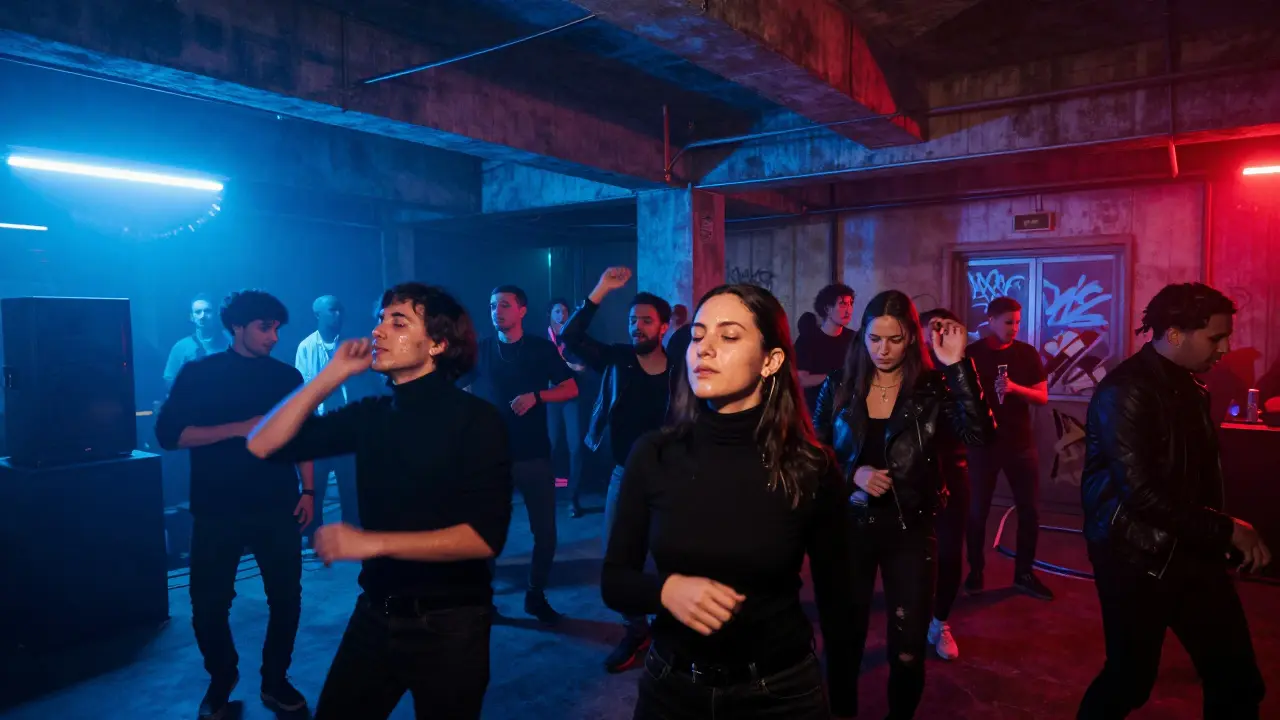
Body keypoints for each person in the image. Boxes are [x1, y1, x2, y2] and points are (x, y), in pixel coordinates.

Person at [247, 283, 512, 720]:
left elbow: (484, 538)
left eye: (398, 321)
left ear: (438, 344)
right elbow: (262, 445)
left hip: (450, 624)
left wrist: (373, 543)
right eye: (380, 319)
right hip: (375, 613)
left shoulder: (476, 421)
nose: (378, 331)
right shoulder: (372, 415)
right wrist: (330, 375)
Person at [603, 283, 858, 719]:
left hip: (779, 692)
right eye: (698, 335)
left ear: (771, 360)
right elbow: (614, 580)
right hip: (672, 687)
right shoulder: (653, 454)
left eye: (729, 336)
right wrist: (665, 590)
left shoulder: (808, 466)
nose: (704, 348)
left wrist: (844, 700)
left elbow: (840, 598)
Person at [1077, 282, 1270, 719]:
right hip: (1135, 556)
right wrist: (1228, 529)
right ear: (1176, 334)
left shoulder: (1191, 388)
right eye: (1216, 337)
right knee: (1129, 678)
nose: (1225, 348)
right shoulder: (1124, 390)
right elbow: (1141, 494)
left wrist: (1216, 537)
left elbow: (1195, 481)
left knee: (1236, 679)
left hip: (1190, 549)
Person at [813, 290, 994, 719]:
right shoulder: (839, 384)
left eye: (894, 339)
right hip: (850, 528)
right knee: (843, 644)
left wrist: (957, 366)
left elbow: (981, 436)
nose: (883, 350)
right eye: (875, 339)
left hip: (910, 529)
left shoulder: (933, 387)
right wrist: (849, 473)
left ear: (911, 338)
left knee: (909, 650)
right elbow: (812, 451)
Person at [155, 290, 314, 719]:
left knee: (286, 598)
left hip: (277, 504)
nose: (274, 337)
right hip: (217, 507)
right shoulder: (199, 373)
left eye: (278, 328)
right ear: (237, 327)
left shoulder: (286, 378)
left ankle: (275, 680)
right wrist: (236, 429)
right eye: (265, 327)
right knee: (208, 603)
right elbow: (168, 436)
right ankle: (221, 679)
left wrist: (310, 490)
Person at [560, 266, 670, 673]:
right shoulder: (619, 360)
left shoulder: (681, 370)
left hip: (668, 480)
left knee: (665, 557)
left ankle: (666, 629)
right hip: (624, 476)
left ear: (663, 326)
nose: (637, 327)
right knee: (618, 557)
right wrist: (600, 290)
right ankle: (635, 629)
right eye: (632, 320)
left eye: (645, 321)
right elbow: (570, 339)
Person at [460, 285, 578, 625]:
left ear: (522, 311)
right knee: (487, 533)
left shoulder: (540, 349)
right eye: (493, 304)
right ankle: (484, 600)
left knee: (545, 533)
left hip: (534, 456)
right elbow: (458, 387)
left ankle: (535, 594)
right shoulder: (481, 350)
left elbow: (571, 387)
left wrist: (537, 396)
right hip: (491, 459)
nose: (498, 311)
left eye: (505, 305)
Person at [964, 296, 1054, 600]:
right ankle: (975, 571)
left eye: (1017, 322)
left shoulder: (1026, 354)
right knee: (977, 511)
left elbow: (1042, 397)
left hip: (1019, 444)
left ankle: (1024, 574)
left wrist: (1015, 388)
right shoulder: (972, 353)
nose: (1014, 328)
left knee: (1029, 510)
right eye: (1008, 322)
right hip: (983, 445)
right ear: (990, 321)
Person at [918, 307, 969, 661]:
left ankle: (940, 621)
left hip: (952, 473)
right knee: (913, 556)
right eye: (925, 335)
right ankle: (912, 619)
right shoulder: (904, 374)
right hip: (910, 477)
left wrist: (956, 365)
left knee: (950, 553)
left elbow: (978, 429)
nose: (930, 342)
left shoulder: (958, 371)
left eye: (938, 333)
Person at [295, 295, 359, 535]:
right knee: (316, 484)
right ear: (318, 315)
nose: (338, 315)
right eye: (332, 310)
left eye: (340, 310)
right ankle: (313, 533)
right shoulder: (306, 347)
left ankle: (352, 530)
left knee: (350, 484)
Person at [547, 297, 589, 517]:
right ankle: (546, 494)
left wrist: (565, 361)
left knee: (576, 447)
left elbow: (582, 367)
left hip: (571, 395)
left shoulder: (572, 339)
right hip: (550, 396)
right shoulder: (543, 338)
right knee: (550, 446)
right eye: (556, 311)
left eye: (564, 311)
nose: (561, 315)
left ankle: (573, 498)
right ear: (550, 315)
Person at [795, 284, 855, 412]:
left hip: (847, 411)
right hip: (815, 411)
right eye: (843, 304)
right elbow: (801, 379)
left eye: (850, 304)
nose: (848, 310)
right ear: (828, 309)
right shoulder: (808, 339)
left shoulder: (854, 338)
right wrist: (834, 377)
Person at [164, 293, 228, 391]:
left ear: (215, 314)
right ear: (191, 317)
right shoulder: (181, 347)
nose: (202, 316)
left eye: (207, 311)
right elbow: (169, 380)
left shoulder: (230, 341)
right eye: (198, 312)